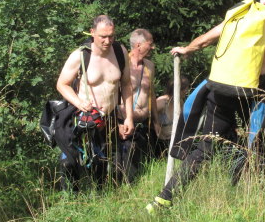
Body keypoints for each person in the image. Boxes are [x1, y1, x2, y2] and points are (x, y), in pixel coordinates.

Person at [147, 0, 265, 212]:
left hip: (222, 86)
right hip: (255, 92)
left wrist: (188, 49)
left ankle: (164, 199)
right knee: (255, 146)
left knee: (208, 146)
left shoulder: (242, 13)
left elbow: (206, 39)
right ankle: (246, 203)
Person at [56, 15, 134, 189]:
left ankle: (100, 195)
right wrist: (79, 103)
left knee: (103, 162)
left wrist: (129, 117)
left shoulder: (120, 52)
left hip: (109, 118)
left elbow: (127, 84)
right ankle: (70, 197)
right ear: (92, 33)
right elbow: (62, 84)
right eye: (103, 37)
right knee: (71, 162)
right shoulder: (80, 55)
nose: (107, 41)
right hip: (84, 117)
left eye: (111, 36)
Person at [115, 29, 160, 183]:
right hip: (124, 123)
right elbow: (112, 95)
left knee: (139, 165)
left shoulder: (150, 66)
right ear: (139, 45)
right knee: (121, 165)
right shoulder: (121, 63)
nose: (152, 47)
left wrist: (156, 122)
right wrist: (116, 123)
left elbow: (151, 94)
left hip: (143, 124)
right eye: (150, 44)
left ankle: (133, 188)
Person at [155, 76, 190, 150]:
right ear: (180, 89)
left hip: (174, 142)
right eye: (186, 88)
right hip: (160, 143)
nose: (187, 91)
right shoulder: (162, 101)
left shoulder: (180, 102)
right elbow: (150, 115)